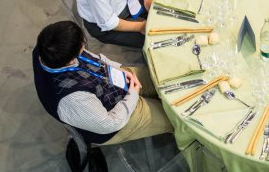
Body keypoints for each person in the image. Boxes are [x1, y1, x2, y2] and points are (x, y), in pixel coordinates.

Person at [32, 21, 173, 145]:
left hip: (110, 80)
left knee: (167, 77)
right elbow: (110, 123)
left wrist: (119, 68)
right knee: (174, 118)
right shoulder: (73, 99)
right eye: (82, 46)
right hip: (115, 116)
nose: (84, 44)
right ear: (70, 61)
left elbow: (96, 59)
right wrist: (133, 95)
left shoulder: (46, 46)